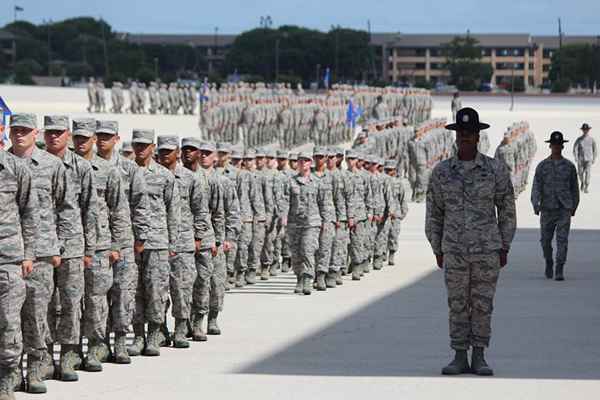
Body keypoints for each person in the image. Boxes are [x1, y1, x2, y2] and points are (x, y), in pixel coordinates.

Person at [426, 107, 516, 376]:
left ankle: (479, 355)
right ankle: (458, 355)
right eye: (461, 133)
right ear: (456, 136)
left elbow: (507, 209)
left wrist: (504, 244)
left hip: (487, 250)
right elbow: (434, 214)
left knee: (482, 304)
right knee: (457, 303)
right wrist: (437, 247)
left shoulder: (495, 170)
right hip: (454, 250)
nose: (465, 137)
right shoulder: (442, 172)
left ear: (478, 137)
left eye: (470, 133)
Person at [0, 145, 37, 400]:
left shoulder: (16, 169)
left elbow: (30, 213)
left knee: (8, 321)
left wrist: (28, 254)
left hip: (8, 258)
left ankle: (6, 377)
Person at [531, 131, 579, 281]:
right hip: (547, 208)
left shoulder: (569, 166)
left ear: (562, 147)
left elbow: (574, 188)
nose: (556, 148)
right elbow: (536, 185)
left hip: (564, 208)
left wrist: (574, 206)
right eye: (554, 145)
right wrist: (535, 202)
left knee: (562, 239)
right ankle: (549, 261)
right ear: (550, 146)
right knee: (545, 240)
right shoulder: (542, 166)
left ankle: (559, 268)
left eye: (559, 145)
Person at [573, 123, 596, 193]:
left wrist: (594, 158)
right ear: (582, 130)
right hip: (580, 159)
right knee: (580, 173)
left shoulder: (591, 140)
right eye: (584, 130)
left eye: (586, 129)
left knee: (587, 173)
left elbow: (595, 150)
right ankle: (582, 182)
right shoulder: (579, 139)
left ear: (588, 130)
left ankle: (586, 186)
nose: (585, 131)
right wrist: (576, 157)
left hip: (589, 159)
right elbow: (575, 148)